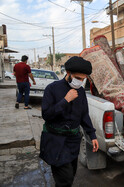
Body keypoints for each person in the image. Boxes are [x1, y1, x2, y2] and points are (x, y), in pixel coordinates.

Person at [40, 56, 99, 186]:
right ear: (68, 73)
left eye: (83, 79)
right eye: (78, 78)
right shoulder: (52, 89)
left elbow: (84, 115)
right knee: (65, 180)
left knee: (70, 176)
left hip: (72, 142)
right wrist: (65, 100)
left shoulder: (81, 92)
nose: (80, 82)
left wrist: (92, 135)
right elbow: (47, 115)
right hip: (56, 142)